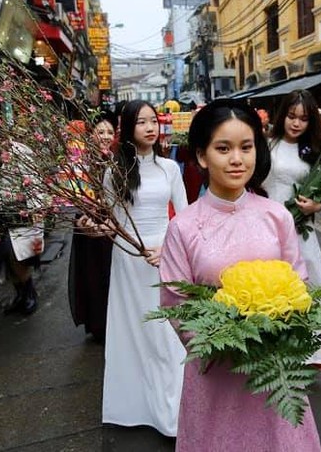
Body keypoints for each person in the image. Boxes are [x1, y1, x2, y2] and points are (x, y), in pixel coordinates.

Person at [159, 99, 321, 451]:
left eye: (246, 147)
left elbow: (300, 282)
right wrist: (230, 336)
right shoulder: (184, 227)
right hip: (218, 371)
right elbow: (176, 305)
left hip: (277, 375)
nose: (237, 159)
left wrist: (283, 328)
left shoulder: (276, 216)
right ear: (202, 156)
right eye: (223, 148)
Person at [101, 100, 187, 436]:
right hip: (129, 258)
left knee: (166, 335)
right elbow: (113, 220)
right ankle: (135, 406)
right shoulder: (114, 171)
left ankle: (172, 412)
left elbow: (185, 218)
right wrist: (103, 230)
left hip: (165, 255)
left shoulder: (170, 168)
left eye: (153, 121)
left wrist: (167, 250)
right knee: (134, 332)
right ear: (128, 128)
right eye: (141, 122)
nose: (150, 127)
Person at [263, 90, 321, 368]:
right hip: (266, 224)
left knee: (313, 284)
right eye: (292, 116)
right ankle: (269, 349)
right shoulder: (266, 145)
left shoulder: (313, 150)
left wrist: (315, 206)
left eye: (303, 118)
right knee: (270, 288)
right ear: (283, 116)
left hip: (301, 229)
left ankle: (307, 352)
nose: (296, 123)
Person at [0, 139, 45, 315]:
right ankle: (20, 294)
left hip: (19, 219)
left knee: (18, 258)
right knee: (5, 261)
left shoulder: (21, 154)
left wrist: (35, 212)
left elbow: (34, 186)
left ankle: (29, 293)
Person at [69, 111, 117, 343]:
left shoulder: (120, 162)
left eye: (110, 132)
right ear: (91, 135)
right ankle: (99, 324)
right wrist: (82, 219)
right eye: (101, 132)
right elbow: (74, 197)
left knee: (112, 276)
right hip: (88, 227)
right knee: (93, 277)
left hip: (113, 228)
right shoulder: (80, 164)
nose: (106, 137)